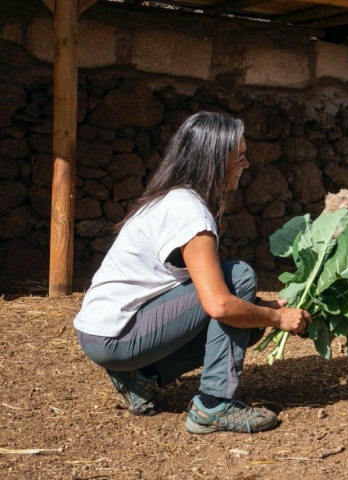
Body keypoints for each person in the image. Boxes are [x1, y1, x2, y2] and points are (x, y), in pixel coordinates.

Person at [73, 111, 311, 435]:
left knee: (249, 324)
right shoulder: (190, 212)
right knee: (238, 277)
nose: (246, 165)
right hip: (116, 336)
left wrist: (263, 309)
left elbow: (207, 299)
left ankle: (141, 377)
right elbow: (219, 306)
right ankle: (213, 406)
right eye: (239, 158)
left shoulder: (172, 199)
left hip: (102, 333)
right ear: (215, 162)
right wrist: (280, 320)